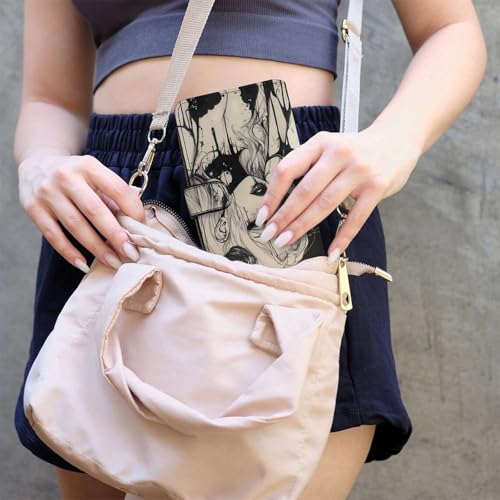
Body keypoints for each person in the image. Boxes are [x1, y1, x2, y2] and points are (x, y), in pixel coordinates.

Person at [12, 1, 486, 499]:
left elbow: (450, 29)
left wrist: (394, 141)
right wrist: (40, 163)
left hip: (274, 185)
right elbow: (50, 99)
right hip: (109, 207)